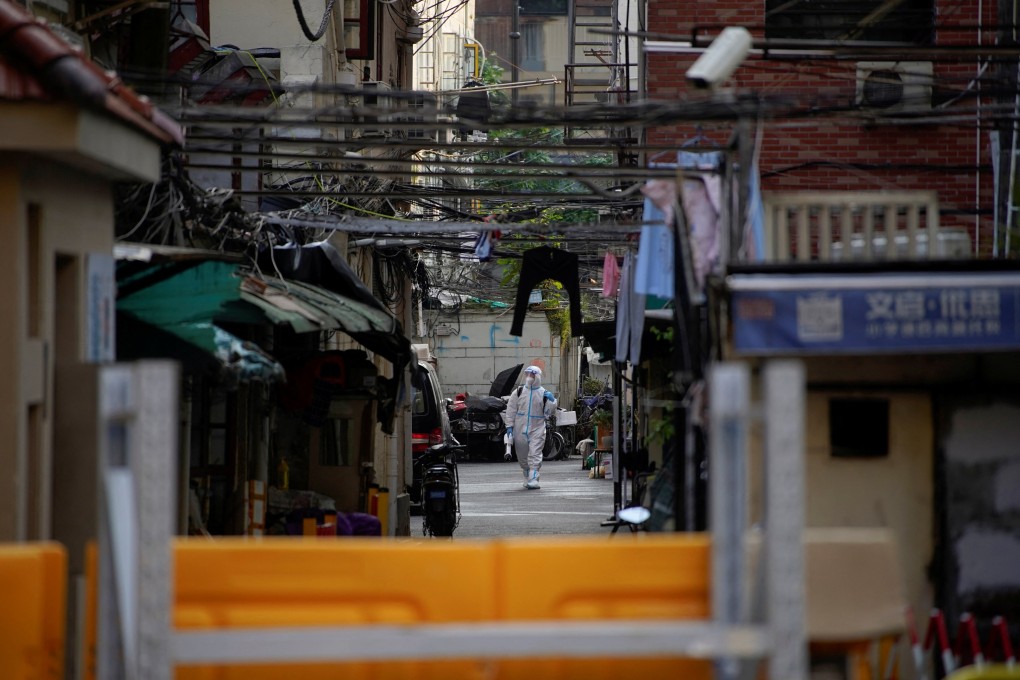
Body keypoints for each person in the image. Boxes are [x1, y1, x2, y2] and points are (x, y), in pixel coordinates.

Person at [503, 365, 556, 489]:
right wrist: (509, 426)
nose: (529, 377)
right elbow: (511, 410)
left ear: (537, 376)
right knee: (522, 454)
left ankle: (533, 478)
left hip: (537, 428)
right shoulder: (518, 392)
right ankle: (527, 473)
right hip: (520, 428)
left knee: (535, 453)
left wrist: (552, 402)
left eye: (531, 375)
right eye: (527, 375)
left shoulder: (543, 393)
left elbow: (548, 413)